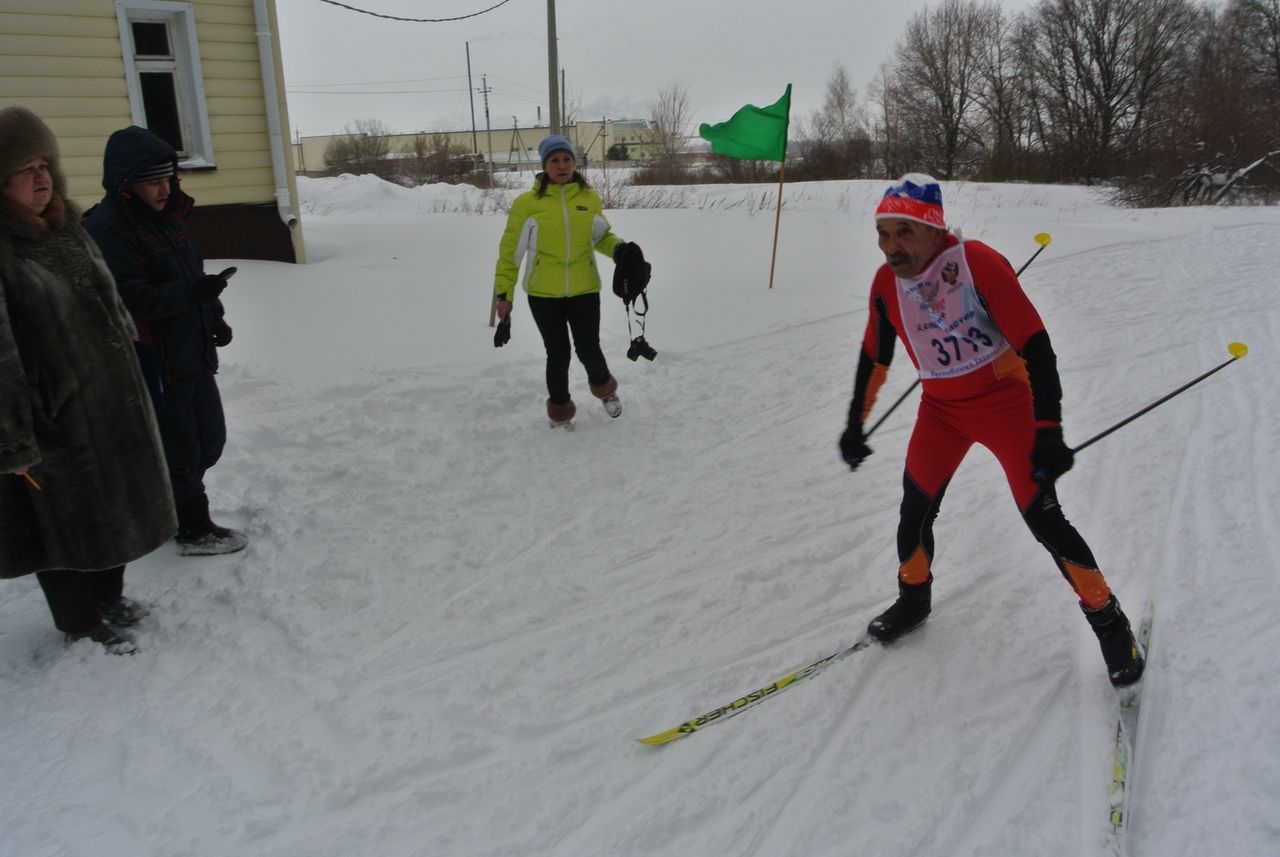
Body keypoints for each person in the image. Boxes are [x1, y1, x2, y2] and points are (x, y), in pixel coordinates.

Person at [840, 174, 1144, 688]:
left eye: (904, 233)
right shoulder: (885, 285)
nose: (892, 247)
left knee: (1044, 520)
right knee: (914, 510)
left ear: (933, 230)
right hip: (941, 412)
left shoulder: (976, 262)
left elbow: (1038, 346)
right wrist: (855, 422)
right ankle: (914, 598)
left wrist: (1048, 428)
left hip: (1007, 405)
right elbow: (876, 355)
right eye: (883, 234)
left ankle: (1111, 623)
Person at [0, 107, 177, 654]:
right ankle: (79, 622)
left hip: (112, 403)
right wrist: (15, 439)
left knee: (118, 508)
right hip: (54, 418)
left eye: (44, 163)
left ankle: (109, 595)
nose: (41, 177)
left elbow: (112, 311)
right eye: (24, 168)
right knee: (64, 528)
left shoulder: (70, 230)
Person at [83, 126, 246, 556]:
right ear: (125, 184)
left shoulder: (168, 220)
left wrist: (214, 317)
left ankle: (171, 506)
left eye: (168, 178)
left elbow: (194, 275)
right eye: (153, 180)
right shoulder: (107, 230)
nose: (164, 188)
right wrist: (192, 295)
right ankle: (192, 526)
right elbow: (131, 298)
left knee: (209, 439)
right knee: (180, 448)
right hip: (155, 360)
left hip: (191, 352)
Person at [492, 134, 648, 427]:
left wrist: (620, 250)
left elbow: (600, 235)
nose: (561, 165)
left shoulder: (588, 198)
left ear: (574, 163)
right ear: (545, 165)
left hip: (584, 289)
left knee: (589, 346)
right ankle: (560, 409)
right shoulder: (527, 204)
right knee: (558, 353)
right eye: (554, 160)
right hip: (543, 294)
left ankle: (605, 390)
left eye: (566, 159)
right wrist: (504, 295)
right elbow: (510, 253)